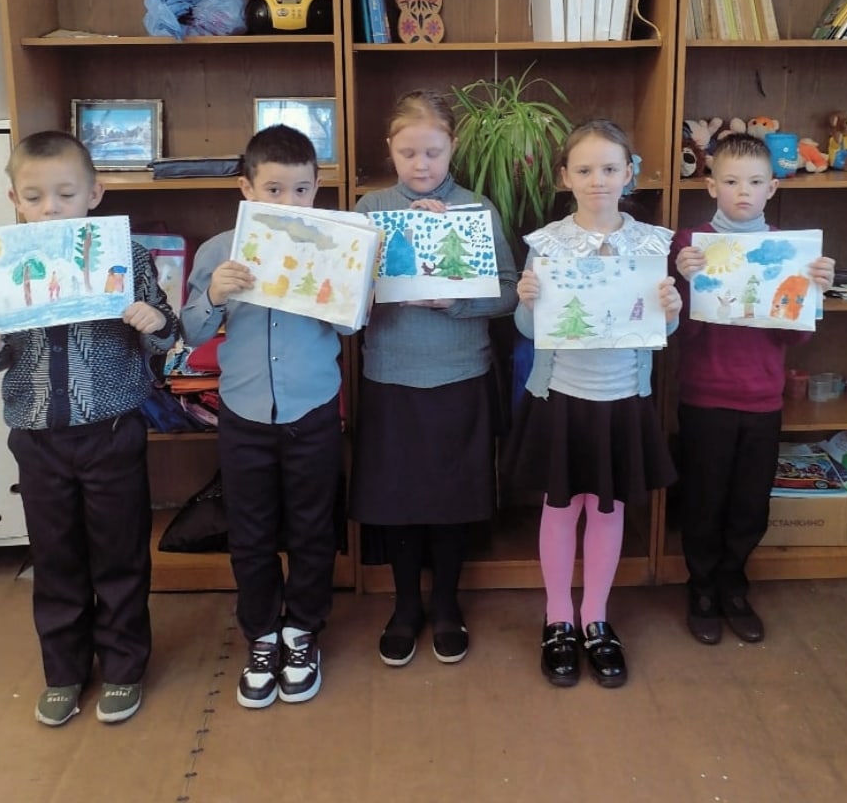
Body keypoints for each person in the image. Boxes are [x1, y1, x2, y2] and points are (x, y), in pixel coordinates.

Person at [0, 131, 179, 727]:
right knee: (55, 555)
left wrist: (153, 321)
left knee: (120, 553)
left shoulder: (126, 255)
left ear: (94, 194)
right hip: (37, 437)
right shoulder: (9, 260)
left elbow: (166, 335)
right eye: (34, 197)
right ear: (14, 199)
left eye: (65, 194)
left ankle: (125, 665)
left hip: (111, 430)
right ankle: (63, 670)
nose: (50, 208)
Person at [505, 119, 681, 689]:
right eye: (584, 169)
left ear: (629, 173)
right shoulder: (547, 244)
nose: (598, 180)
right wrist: (526, 301)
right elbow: (528, 329)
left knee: (608, 509)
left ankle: (595, 618)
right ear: (565, 177)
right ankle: (558, 617)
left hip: (622, 397)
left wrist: (672, 309)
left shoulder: (651, 243)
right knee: (560, 507)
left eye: (609, 168)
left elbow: (661, 331)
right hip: (562, 396)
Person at [349, 90, 517, 667]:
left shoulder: (475, 209)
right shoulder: (371, 209)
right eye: (408, 153)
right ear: (390, 150)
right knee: (398, 498)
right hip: (391, 375)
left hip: (460, 374)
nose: (421, 165)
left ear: (453, 148)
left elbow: (510, 292)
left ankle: (445, 602)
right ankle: (404, 606)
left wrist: (457, 298)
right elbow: (345, 297)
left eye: (433, 153)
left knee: (452, 497)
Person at [181, 125, 345, 709]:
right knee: (248, 533)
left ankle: (302, 631)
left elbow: (352, 326)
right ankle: (262, 633)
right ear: (247, 188)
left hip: (313, 408)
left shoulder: (332, 244)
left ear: (316, 187)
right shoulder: (217, 252)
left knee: (312, 528)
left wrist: (348, 291)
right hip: (245, 413)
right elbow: (190, 332)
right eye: (273, 189)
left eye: (301, 189)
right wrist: (214, 296)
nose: (288, 201)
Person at [671, 132, 835, 645]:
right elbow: (679, 334)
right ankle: (701, 588)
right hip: (704, 396)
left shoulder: (790, 250)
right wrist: (685, 283)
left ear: (772, 188)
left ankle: (733, 584)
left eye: (756, 181)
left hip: (763, 399)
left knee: (749, 502)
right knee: (703, 498)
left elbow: (796, 336)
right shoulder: (690, 245)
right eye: (731, 180)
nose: (743, 191)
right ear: (711, 185)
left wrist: (814, 290)